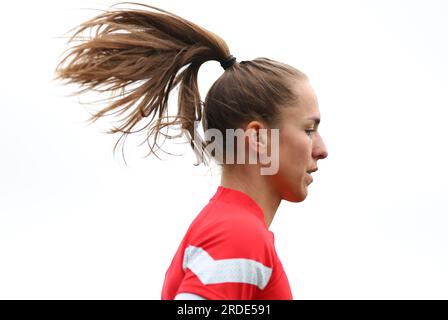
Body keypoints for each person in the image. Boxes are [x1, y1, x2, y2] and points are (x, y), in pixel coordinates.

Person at [54, 3, 328, 300]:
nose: (322, 149)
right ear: (259, 139)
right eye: (309, 129)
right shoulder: (240, 234)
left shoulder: (229, 226)